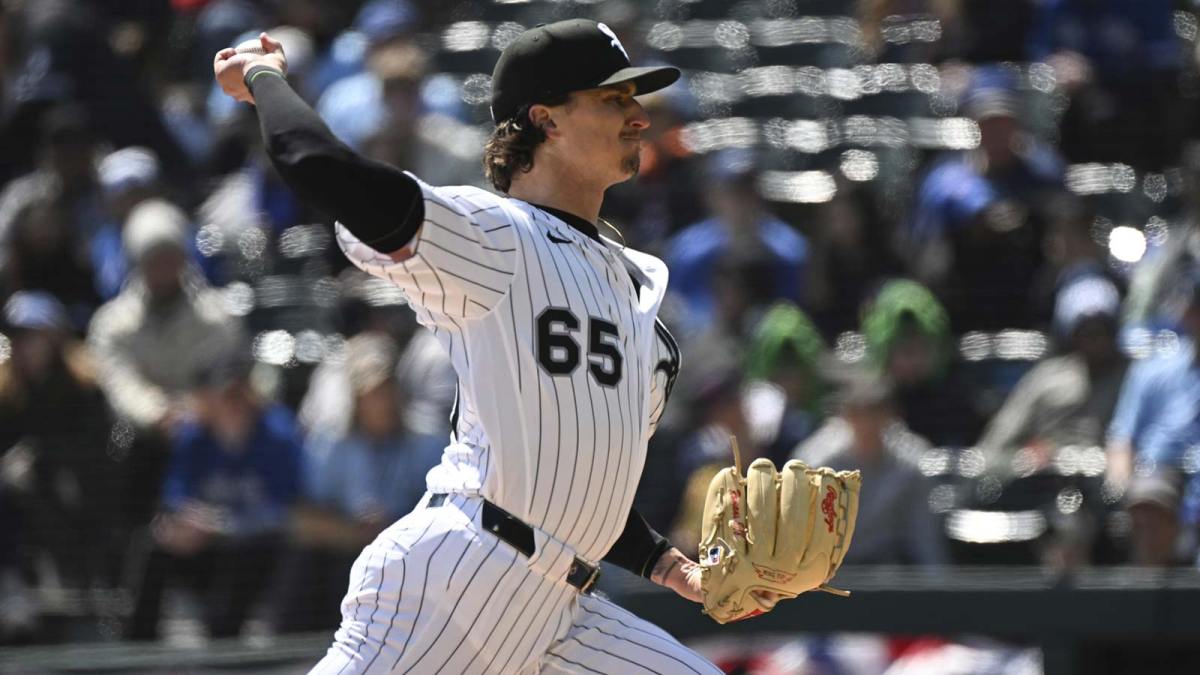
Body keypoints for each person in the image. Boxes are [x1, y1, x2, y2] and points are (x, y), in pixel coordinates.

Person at [215, 20, 722, 673]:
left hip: (562, 606)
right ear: (546, 120)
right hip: (460, 580)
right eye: (612, 98)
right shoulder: (493, 236)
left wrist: (669, 565)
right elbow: (320, 166)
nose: (638, 116)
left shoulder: (637, 296)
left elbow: (578, 480)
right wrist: (264, 77)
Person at [125, 352, 303, 640]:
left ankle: (225, 646)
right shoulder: (194, 436)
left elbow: (287, 508)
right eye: (226, 396)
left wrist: (226, 524)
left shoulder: (277, 433)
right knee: (154, 547)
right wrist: (184, 524)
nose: (234, 404)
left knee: (248, 554)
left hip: (258, 551)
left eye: (240, 394)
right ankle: (138, 646)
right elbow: (175, 497)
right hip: (205, 548)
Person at [793, 373, 947, 566]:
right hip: (826, 566)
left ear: (891, 415)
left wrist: (937, 580)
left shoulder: (911, 463)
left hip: (885, 566)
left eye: (876, 413)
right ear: (846, 416)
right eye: (859, 413)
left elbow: (923, 534)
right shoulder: (816, 463)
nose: (868, 423)